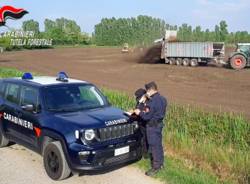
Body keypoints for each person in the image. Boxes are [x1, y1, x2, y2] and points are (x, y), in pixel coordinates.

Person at [134, 81, 167, 176]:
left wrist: (139, 112)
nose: (147, 93)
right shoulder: (163, 99)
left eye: (147, 91)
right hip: (159, 125)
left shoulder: (152, 102)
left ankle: (155, 167)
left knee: (154, 147)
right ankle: (161, 164)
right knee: (159, 145)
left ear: (151, 90)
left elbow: (146, 117)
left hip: (152, 127)